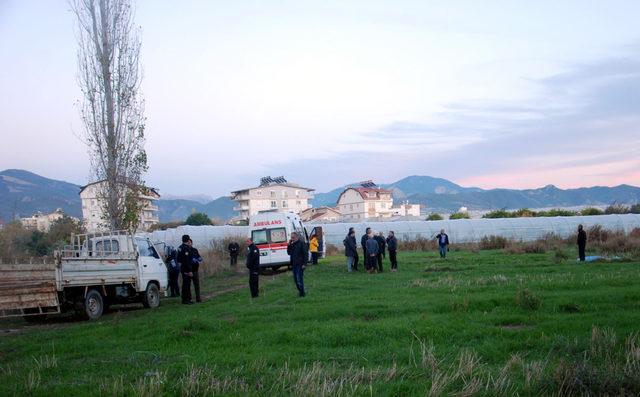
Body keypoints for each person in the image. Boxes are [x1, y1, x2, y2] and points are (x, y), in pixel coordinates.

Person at [287, 232, 308, 297]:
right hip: (294, 264)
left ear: (297, 237)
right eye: (291, 237)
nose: (292, 239)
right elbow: (289, 252)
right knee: (296, 280)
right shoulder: (292, 245)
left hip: (300, 264)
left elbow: (305, 254)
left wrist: (304, 264)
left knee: (299, 279)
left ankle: (302, 293)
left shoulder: (302, 243)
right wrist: (289, 244)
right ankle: (301, 291)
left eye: (293, 237)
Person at [177, 234, 194, 305]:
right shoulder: (186, 248)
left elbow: (178, 259)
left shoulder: (180, 247)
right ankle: (187, 299)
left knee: (184, 284)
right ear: (188, 240)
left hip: (182, 267)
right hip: (186, 268)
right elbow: (187, 260)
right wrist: (190, 270)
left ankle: (184, 299)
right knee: (187, 284)